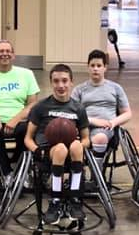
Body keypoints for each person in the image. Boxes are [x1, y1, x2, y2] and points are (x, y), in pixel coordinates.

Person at [24, 64, 91, 224]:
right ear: (51, 83)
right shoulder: (41, 107)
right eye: (56, 81)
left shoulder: (78, 108)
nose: (61, 85)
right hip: (47, 153)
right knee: (60, 148)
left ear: (71, 82)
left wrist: (81, 146)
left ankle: (75, 199)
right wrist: (36, 150)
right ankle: (55, 201)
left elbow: (86, 139)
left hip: (72, 153)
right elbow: (28, 138)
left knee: (75, 145)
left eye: (64, 81)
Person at [0, 39, 41, 177]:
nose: (4, 54)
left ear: (13, 55)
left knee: (28, 130)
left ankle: (20, 167)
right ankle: (6, 172)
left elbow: (33, 103)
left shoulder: (26, 74)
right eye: (0, 51)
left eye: (8, 51)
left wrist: (15, 119)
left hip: (19, 120)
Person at [73, 49, 132, 170]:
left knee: (100, 138)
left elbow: (127, 113)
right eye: (92, 65)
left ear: (105, 67)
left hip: (106, 128)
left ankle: (97, 177)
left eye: (99, 65)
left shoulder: (115, 88)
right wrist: (92, 121)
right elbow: (71, 113)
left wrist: (113, 123)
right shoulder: (79, 90)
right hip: (84, 126)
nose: (95, 69)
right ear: (88, 67)